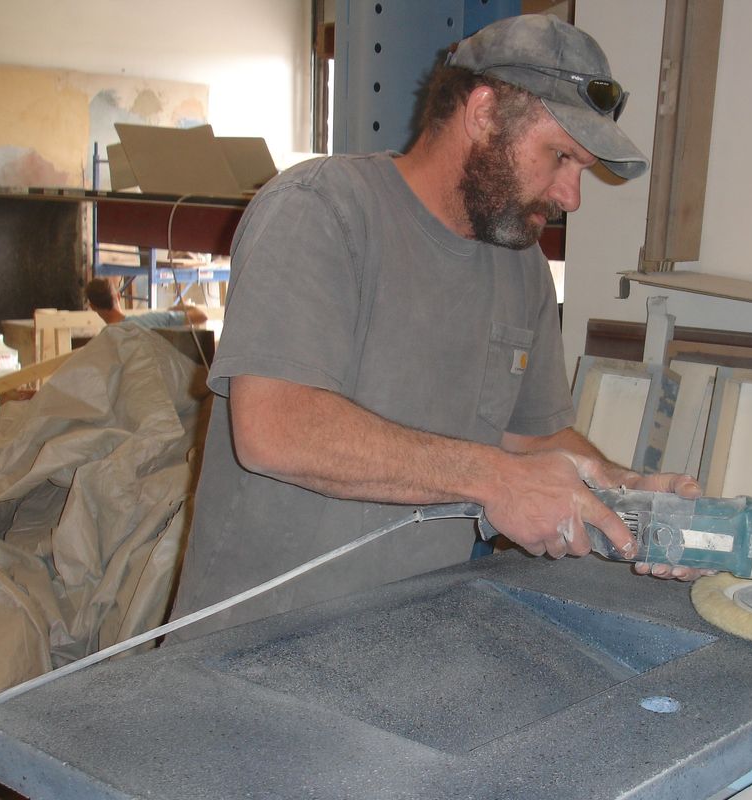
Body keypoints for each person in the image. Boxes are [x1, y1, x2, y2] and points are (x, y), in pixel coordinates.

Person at [169, 14, 706, 640]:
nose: (571, 196)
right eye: (560, 156)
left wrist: (625, 490)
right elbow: (275, 427)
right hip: (247, 655)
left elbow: (528, 438)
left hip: (408, 651)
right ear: (482, 113)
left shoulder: (522, 268)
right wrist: (494, 480)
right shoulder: (322, 209)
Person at [84, 277, 208, 327]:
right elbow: (201, 316)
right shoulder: (151, 321)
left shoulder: (103, 343)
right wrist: (172, 310)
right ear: (118, 296)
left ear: (92, 306)